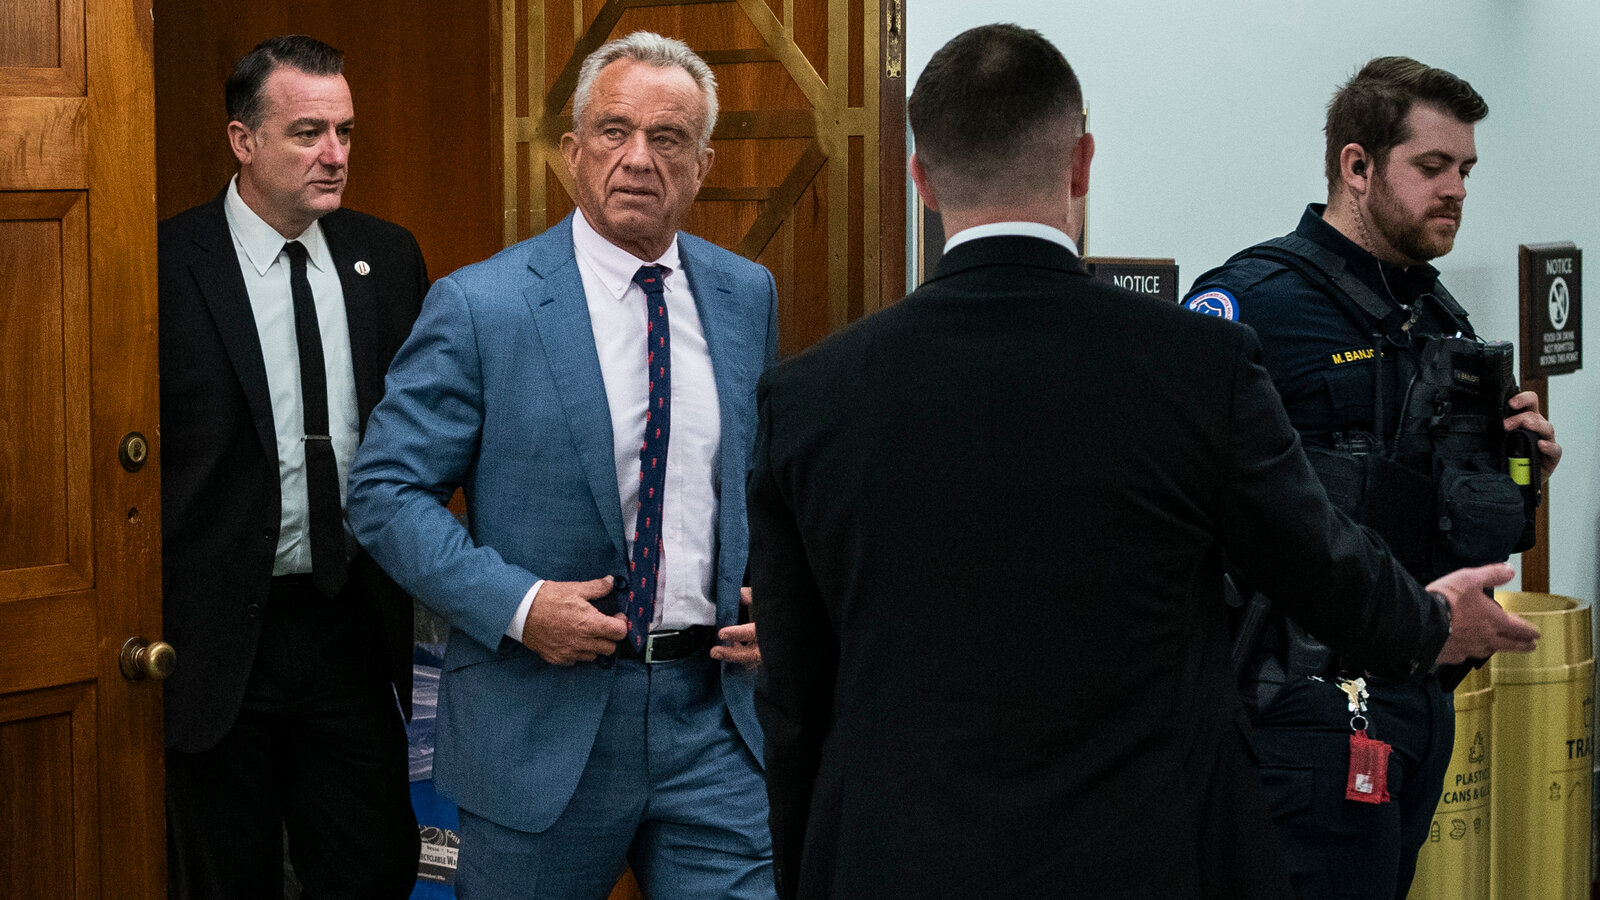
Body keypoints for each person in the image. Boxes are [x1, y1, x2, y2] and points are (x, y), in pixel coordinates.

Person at [747, 25, 1540, 900]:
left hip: (896, 855)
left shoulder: (806, 400)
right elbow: (1317, 561)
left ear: (920, 179)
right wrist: (1429, 622)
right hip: (1138, 848)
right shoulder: (1199, 367)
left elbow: (792, 699)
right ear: (1082, 163)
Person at [346, 30, 776, 899]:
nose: (638, 158)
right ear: (574, 152)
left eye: (667, 138)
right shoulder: (483, 305)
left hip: (715, 727)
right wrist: (520, 605)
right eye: (615, 131)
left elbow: (761, 484)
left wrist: (785, 602)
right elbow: (383, 493)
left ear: (702, 166)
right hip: (539, 726)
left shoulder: (746, 293)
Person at [1182, 56, 1561, 900]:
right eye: (1432, 166)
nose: (1455, 189)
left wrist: (1519, 472)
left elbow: (1456, 518)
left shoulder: (1438, 318)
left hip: (1417, 703)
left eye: (1465, 170)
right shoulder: (1251, 304)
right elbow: (1181, 507)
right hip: (1295, 714)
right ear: (1357, 166)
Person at [159, 34, 427, 900]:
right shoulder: (160, 266)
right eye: (308, 133)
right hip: (217, 642)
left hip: (350, 627)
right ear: (243, 141)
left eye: (345, 132)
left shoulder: (388, 258)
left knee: (371, 869)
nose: (335, 154)